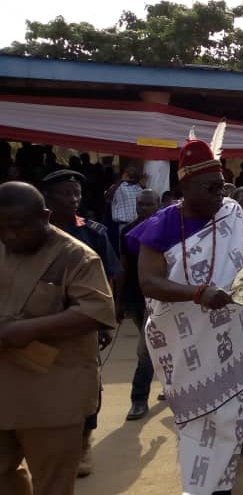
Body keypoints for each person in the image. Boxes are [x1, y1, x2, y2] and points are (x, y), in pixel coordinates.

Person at [127, 139, 243, 493]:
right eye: (210, 188)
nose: (219, 196)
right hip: (187, 345)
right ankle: (197, 487)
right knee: (198, 419)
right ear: (185, 186)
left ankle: (220, 485)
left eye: (221, 186)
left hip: (238, 336)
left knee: (232, 417)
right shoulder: (161, 226)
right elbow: (148, 282)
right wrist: (197, 294)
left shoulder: (233, 213)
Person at [0, 181, 116, 495]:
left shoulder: (76, 257)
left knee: (52, 485)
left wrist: (28, 329)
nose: (10, 236)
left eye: (19, 228)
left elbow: (98, 311)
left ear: (45, 216)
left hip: (53, 396)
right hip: (3, 389)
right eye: (3, 228)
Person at [39, 169, 123, 477]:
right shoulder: (33, 232)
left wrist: (108, 318)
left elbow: (111, 276)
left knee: (88, 386)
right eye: (66, 193)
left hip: (84, 322)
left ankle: (84, 444)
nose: (74, 199)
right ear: (48, 198)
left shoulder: (94, 232)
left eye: (77, 193)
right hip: (41, 323)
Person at [122, 190, 162, 421]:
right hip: (135, 298)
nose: (143, 208)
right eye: (140, 204)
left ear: (158, 205)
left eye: (148, 204)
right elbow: (124, 267)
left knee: (145, 349)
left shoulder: (165, 230)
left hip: (159, 299)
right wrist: (118, 302)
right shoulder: (127, 231)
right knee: (154, 344)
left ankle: (138, 400)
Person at [107, 166, 144, 236]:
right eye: (129, 174)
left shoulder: (139, 187)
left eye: (133, 174)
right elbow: (107, 197)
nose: (131, 176)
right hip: (124, 225)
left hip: (138, 224)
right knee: (124, 246)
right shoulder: (118, 187)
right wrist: (121, 181)